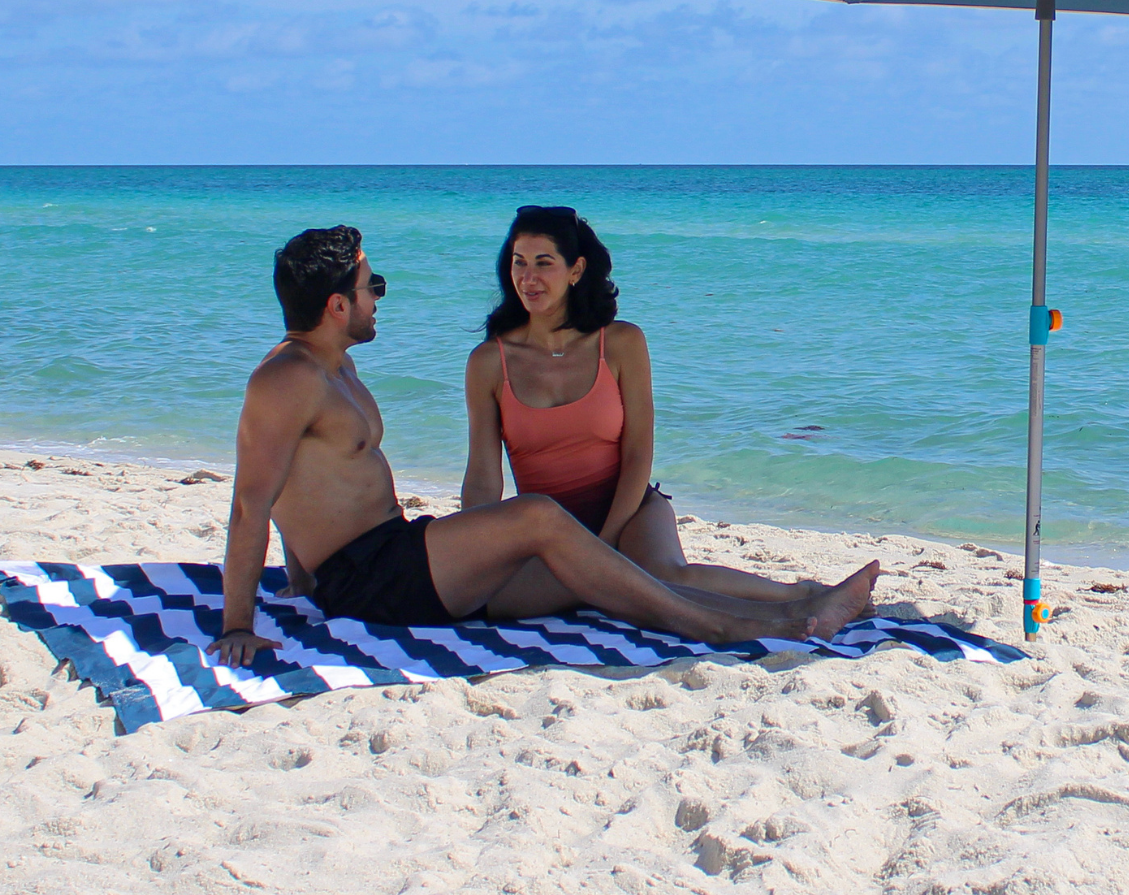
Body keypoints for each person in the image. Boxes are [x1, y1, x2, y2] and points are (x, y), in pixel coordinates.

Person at [206, 225, 877, 667]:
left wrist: (299, 577)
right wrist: (239, 623)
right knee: (540, 517)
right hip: (374, 576)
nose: (379, 297)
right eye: (369, 286)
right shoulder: (286, 380)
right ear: (335, 306)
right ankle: (727, 631)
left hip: (396, 562)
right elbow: (250, 503)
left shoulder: (333, 368)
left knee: (605, 579)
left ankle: (794, 610)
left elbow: (303, 486)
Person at [463, 204, 841, 616]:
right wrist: (476, 549)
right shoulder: (489, 362)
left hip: (628, 512)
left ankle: (804, 597)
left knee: (662, 577)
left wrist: (604, 543)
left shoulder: (622, 343)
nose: (528, 277)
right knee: (497, 602)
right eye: (519, 263)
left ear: (576, 270)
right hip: (547, 531)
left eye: (543, 263)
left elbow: (638, 453)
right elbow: (483, 475)